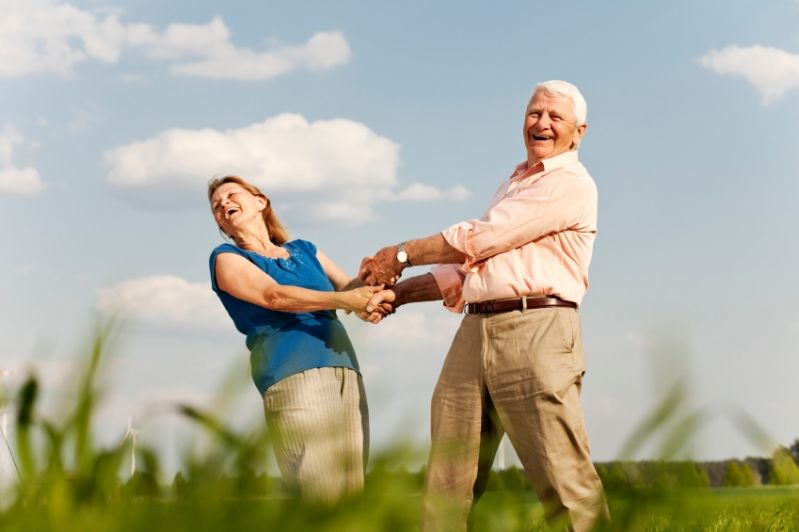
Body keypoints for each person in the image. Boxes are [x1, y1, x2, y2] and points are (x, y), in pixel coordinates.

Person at [360, 81, 609, 530]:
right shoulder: (512, 184)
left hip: (538, 328)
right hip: (475, 332)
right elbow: (470, 270)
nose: (542, 123)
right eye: (535, 114)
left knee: (562, 476)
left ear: (579, 132)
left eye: (555, 116)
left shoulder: (570, 182)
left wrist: (399, 255)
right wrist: (396, 293)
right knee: (447, 480)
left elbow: (482, 237)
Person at [207, 175, 384, 502]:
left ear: (261, 201)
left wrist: (375, 290)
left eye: (231, 195)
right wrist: (347, 301)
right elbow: (273, 296)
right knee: (320, 497)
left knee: (351, 497)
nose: (223, 205)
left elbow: (350, 289)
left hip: (344, 369)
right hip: (293, 374)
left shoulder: (305, 249)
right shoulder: (226, 258)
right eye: (216, 206)